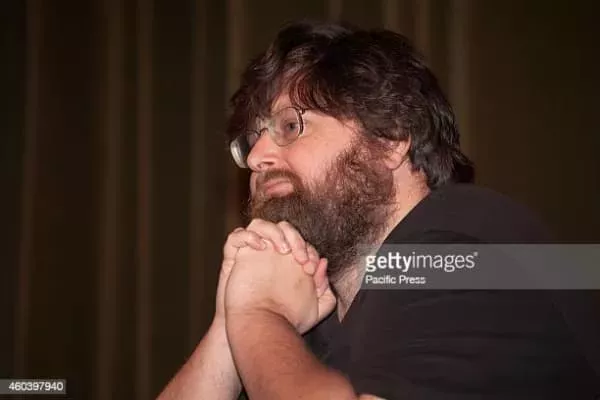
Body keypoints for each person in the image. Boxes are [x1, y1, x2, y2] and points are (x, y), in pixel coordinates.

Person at [158, 20, 600, 399]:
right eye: (252, 141)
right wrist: (232, 319)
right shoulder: (314, 308)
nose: (257, 158)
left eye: (291, 126)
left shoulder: (475, 244)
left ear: (389, 139)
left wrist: (258, 315)